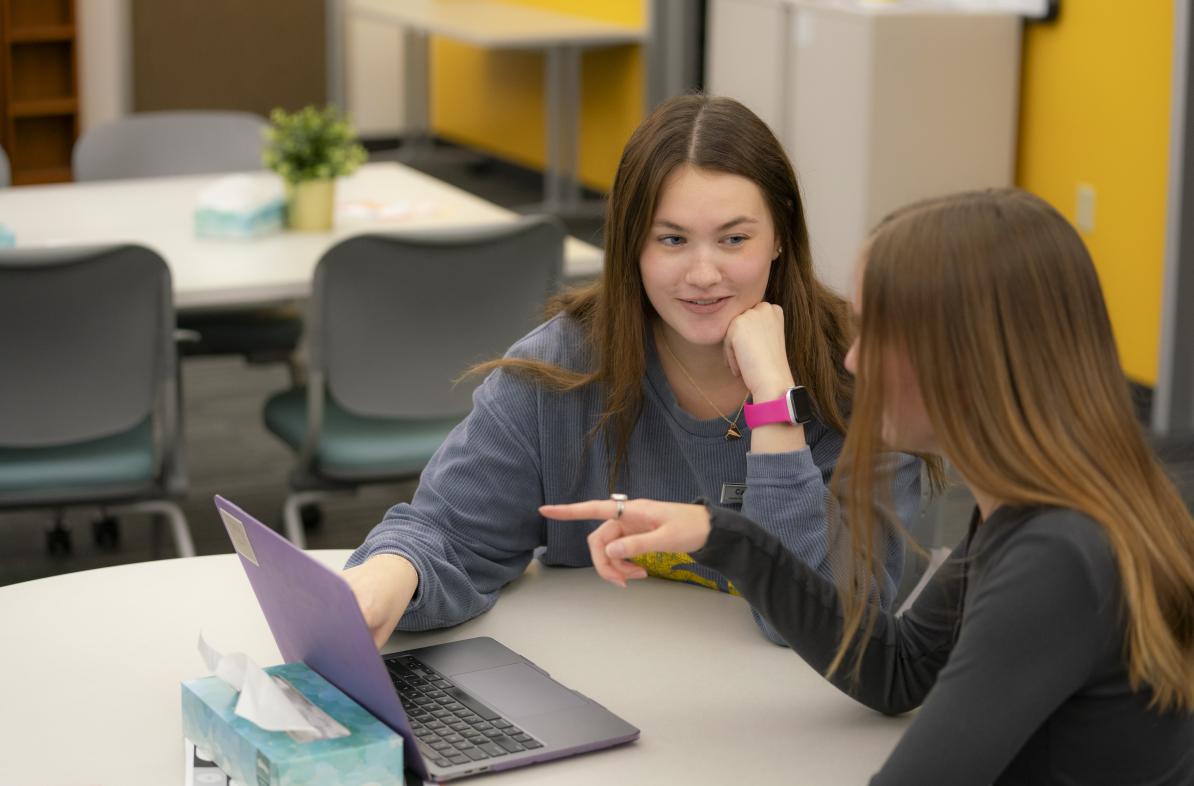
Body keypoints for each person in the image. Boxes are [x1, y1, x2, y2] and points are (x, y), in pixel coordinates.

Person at [543, 188, 1194, 783]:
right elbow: (899, 670)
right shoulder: (1048, 504)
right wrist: (722, 535)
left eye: (877, 331)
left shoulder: (1058, 555)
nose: (853, 359)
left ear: (966, 357)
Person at [344, 94, 921, 648]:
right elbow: (445, 532)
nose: (702, 273)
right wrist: (387, 577)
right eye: (672, 240)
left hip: (794, 726)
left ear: (779, 238)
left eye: (734, 239)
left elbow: (838, 617)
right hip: (606, 699)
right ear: (631, 246)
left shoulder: (863, 374)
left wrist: (775, 400)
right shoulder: (561, 368)